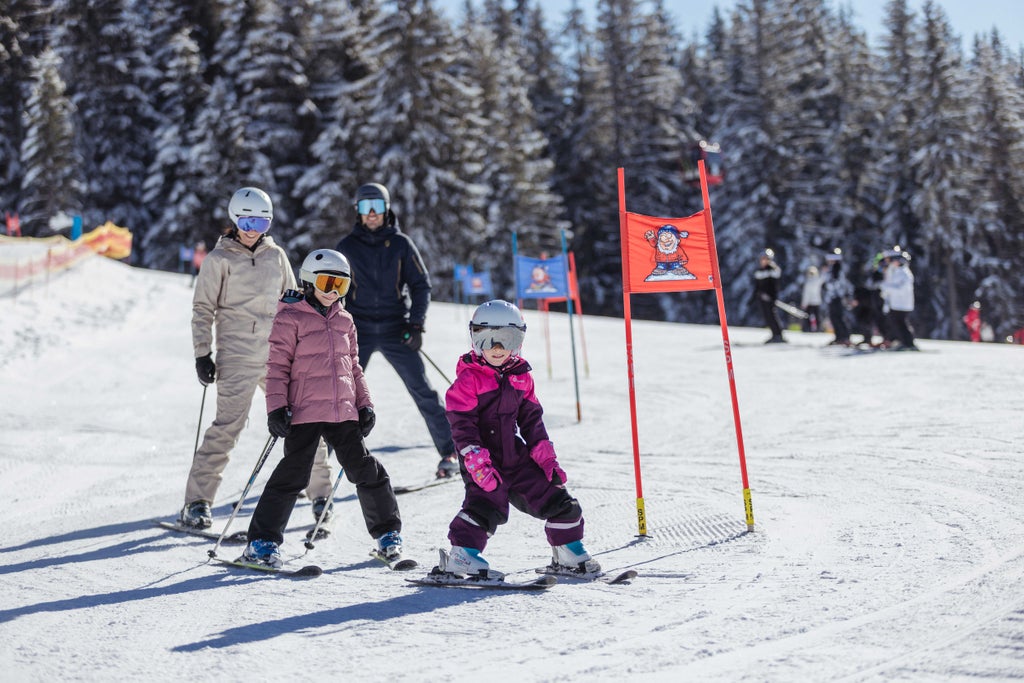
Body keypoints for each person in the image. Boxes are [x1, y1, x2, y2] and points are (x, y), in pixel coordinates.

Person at [181, 187, 333, 529]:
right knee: (228, 426)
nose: (253, 228)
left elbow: (293, 300)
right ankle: (198, 500)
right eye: (247, 220)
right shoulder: (219, 260)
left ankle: (320, 493)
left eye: (261, 221)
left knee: (305, 421)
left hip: (279, 354)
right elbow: (202, 309)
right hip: (236, 353)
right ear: (235, 219)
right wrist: (202, 354)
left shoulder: (276, 255)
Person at [241, 249, 403, 568]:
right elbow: (277, 367)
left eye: (340, 286)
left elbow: (353, 367)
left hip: (343, 412)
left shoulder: (345, 320)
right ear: (309, 281)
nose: (333, 292)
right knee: (293, 475)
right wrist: (276, 408)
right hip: (304, 412)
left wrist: (364, 404)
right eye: (328, 283)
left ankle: (387, 534)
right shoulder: (291, 316)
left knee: (366, 470)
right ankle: (262, 541)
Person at [437, 300, 600, 579]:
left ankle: (568, 549)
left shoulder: (521, 377)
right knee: (487, 506)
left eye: (507, 339)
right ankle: (461, 556)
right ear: (475, 339)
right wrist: (474, 456)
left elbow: (531, 419)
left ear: (519, 340)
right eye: (488, 339)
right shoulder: (468, 381)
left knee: (556, 496)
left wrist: (544, 453)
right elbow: (461, 424)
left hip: (515, 455)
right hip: (482, 462)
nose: (497, 348)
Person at [335, 182, 457, 479]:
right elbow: (333, 290)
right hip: (357, 329)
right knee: (338, 395)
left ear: (387, 209)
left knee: (423, 391)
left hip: (395, 328)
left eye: (377, 206)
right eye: (366, 207)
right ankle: (316, 469)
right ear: (358, 212)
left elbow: (421, 285)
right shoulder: (347, 247)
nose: (372, 213)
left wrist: (416, 324)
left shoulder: (401, 243)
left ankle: (450, 452)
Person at [880, 247, 917, 351]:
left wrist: (887, 288)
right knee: (895, 323)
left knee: (902, 323)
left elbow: (902, 288)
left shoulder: (904, 272)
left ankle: (909, 343)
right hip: (895, 303)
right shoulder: (894, 271)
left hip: (902, 303)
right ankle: (901, 341)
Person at [821, 248, 853, 346]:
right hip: (831, 298)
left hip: (837, 297)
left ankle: (845, 337)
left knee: (839, 317)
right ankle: (839, 337)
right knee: (833, 318)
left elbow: (838, 284)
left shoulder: (838, 270)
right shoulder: (830, 269)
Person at [753, 248, 785, 343]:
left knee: (772, 316)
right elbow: (757, 286)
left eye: (765, 259)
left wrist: (769, 296)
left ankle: (778, 334)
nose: (763, 261)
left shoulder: (773, 270)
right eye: (762, 259)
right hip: (762, 298)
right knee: (767, 316)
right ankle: (774, 334)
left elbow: (774, 285)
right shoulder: (760, 271)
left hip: (770, 298)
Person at [800, 265, 822, 332]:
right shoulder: (818, 280)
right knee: (817, 315)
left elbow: (806, 294)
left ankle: (807, 328)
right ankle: (818, 328)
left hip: (809, 302)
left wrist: (804, 303)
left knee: (807, 316)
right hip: (817, 301)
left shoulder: (808, 282)